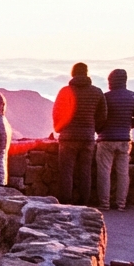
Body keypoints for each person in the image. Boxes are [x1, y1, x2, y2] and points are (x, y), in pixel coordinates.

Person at [51, 62, 108, 205]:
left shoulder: (65, 91)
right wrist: (94, 129)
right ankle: (84, 202)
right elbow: (103, 115)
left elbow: (56, 112)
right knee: (85, 172)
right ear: (87, 73)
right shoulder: (97, 92)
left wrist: (59, 129)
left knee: (66, 172)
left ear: (73, 73)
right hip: (87, 137)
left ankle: (66, 202)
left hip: (68, 137)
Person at [95, 68, 134, 210]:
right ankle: (121, 204)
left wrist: (100, 130)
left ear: (110, 81)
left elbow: (98, 118)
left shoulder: (105, 97)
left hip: (106, 139)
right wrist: (127, 126)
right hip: (124, 139)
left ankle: (104, 204)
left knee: (104, 172)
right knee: (123, 173)